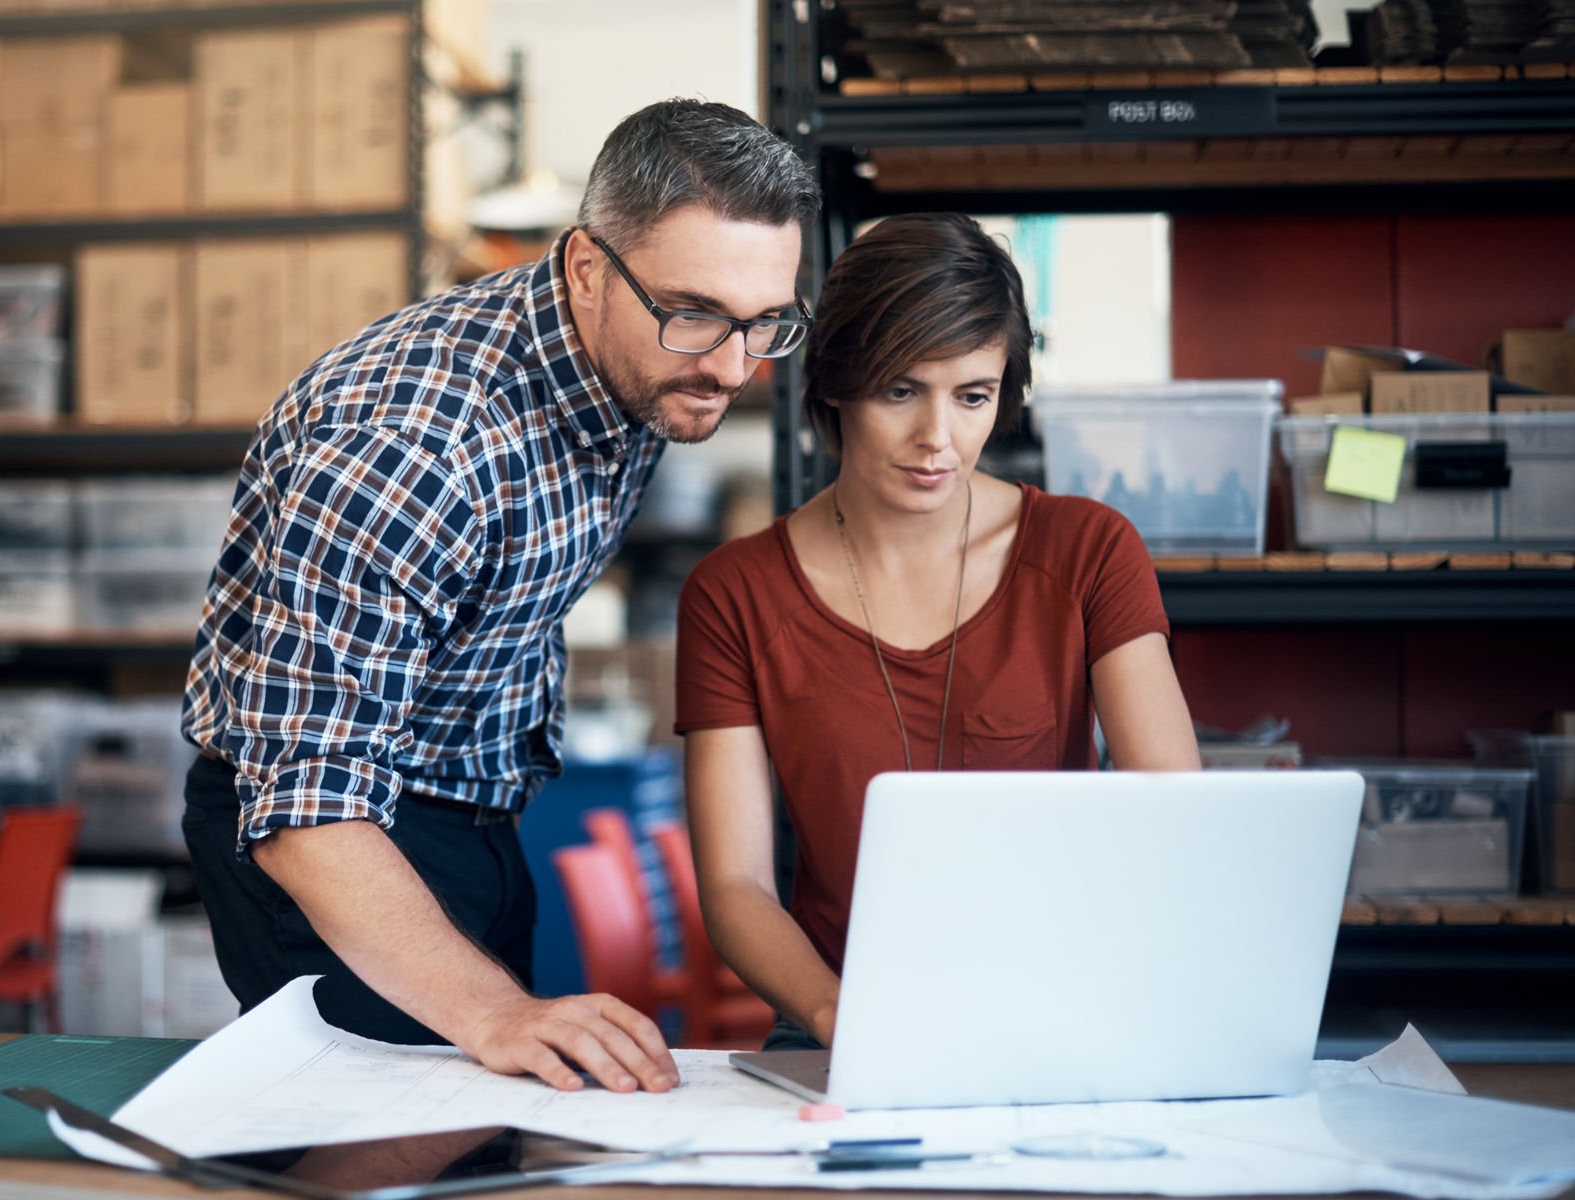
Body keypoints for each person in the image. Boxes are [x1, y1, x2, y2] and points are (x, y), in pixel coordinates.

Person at [179, 98, 820, 1093]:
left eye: (763, 323)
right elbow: (306, 796)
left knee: (493, 1118)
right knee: (382, 1140)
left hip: (476, 805)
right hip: (333, 836)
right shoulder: (413, 448)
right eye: (694, 314)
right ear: (584, 269)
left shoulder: (642, 362)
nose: (732, 366)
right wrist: (491, 1009)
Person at [673, 213, 1201, 1054]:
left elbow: (1175, 820)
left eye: (973, 396)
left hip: (1064, 1010)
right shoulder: (734, 595)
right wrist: (834, 1013)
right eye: (899, 391)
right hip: (838, 1021)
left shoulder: (1089, 551)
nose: (937, 440)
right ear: (837, 384)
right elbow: (737, 885)